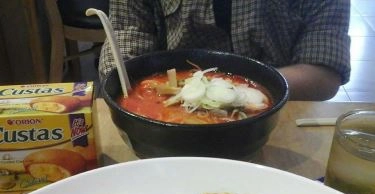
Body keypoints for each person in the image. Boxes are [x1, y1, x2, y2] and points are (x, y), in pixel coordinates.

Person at [99, 0, 351, 101]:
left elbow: (323, 74)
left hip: (278, 117)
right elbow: (121, 62)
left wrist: (234, 93)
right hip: (165, 122)